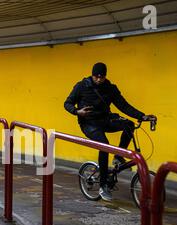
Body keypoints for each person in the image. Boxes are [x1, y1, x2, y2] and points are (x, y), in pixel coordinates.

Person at [64, 62, 156, 201]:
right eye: (96, 77)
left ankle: (118, 156)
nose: (99, 79)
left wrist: (141, 116)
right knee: (104, 145)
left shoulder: (110, 88)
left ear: (105, 76)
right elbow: (67, 103)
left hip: (105, 120)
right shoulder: (82, 86)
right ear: (92, 75)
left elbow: (123, 105)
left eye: (102, 77)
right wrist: (77, 112)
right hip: (89, 123)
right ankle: (103, 186)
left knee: (129, 125)